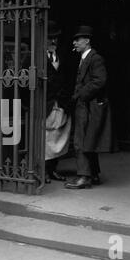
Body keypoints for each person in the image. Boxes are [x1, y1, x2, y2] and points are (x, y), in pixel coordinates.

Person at [65, 26, 114, 189]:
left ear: (87, 41)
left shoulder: (95, 58)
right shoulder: (86, 57)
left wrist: (81, 95)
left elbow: (100, 80)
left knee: (80, 141)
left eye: (78, 40)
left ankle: (84, 177)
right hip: (86, 105)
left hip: (88, 105)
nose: (75, 43)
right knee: (89, 141)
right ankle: (93, 174)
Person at [45, 21, 71, 184]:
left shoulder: (63, 56)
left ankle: (52, 169)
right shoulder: (35, 56)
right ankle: (43, 171)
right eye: (50, 38)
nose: (53, 41)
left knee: (59, 138)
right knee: (45, 139)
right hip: (44, 105)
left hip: (60, 104)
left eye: (55, 38)